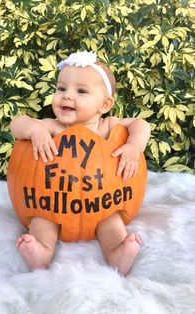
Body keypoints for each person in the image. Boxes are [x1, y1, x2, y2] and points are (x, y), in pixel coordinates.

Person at [10, 51, 151, 276]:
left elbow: (141, 124)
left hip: (102, 204)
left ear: (104, 104)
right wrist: (34, 130)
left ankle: (117, 253)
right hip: (52, 203)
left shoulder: (107, 126)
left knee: (111, 222)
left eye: (81, 91)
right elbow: (17, 123)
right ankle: (41, 252)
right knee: (43, 220)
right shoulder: (53, 126)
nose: (67, 96)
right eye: (61, 88)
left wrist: (134, 146)